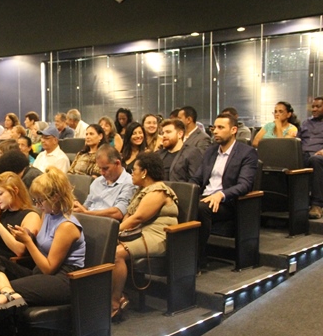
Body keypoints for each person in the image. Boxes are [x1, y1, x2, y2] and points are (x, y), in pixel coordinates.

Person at [0, 167, 86, 336]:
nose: (38, 206)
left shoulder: (67, 225)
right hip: (44, 271)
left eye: (40, 201)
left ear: (55, 197)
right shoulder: (48, 213)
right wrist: (25, 235)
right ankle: (7, 294)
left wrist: (28, 242)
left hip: (66, 279)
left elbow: (49, 267)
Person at [113, 152, 179, 319]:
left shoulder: (158, 191)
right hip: (142, 232)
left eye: (134, 169)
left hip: (159, 236)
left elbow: (138, 218)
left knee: (116, 254)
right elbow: (129, 216)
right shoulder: (142, 191)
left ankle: (115, 301)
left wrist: (113, 233)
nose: (131, 173)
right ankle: (117, 295)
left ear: (144, 172)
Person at [190, 113, 258, 270]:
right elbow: (197, 178)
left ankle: (197, 259)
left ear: (234, 130)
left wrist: (221, 195)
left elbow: (245, 185)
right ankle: (180, 257)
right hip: (205, 197)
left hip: (227, 202)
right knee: (181, 205)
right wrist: (186, 193)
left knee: (201, 208)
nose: (215, 131)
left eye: (221, 128)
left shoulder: (246, 153)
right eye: (214, 127)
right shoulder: (211, 152)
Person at [73, 145, 136, 219]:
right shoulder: (97, 182)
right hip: (88, 220)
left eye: (105, 168)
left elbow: (119, 213)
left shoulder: (129, 183)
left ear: (117, 163)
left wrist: (87, 213)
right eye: (100, 168)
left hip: (106, 225)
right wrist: (78, 208)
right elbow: (86, 206)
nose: (102, 172)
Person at [297, 97, 323, 219]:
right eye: (313, 107)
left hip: (319, 155)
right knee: (288, 159)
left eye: (318, 106)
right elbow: (297, 141)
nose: (314, 109)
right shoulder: (306, 123)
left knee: (315, 160)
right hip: (303, 154)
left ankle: (317, 205)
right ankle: (290, 204)